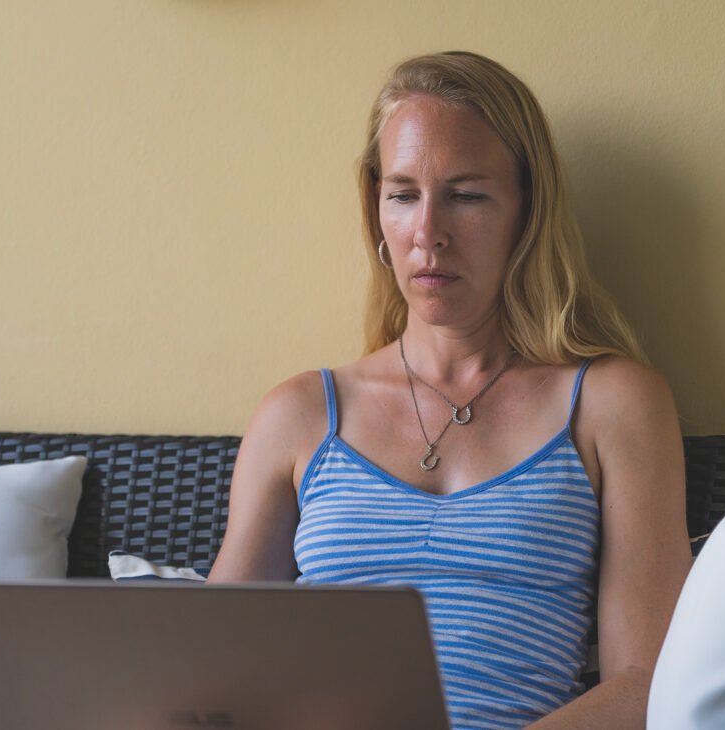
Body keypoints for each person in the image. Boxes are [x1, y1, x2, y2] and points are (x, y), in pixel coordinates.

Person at [208, 50, 691, 730]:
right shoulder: (300, 416)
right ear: (375, 211)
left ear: (528, 211)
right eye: (403, 195)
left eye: (466, 195)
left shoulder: (613, 405)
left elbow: (649, 685)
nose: (428, 234)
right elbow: (204, 671)